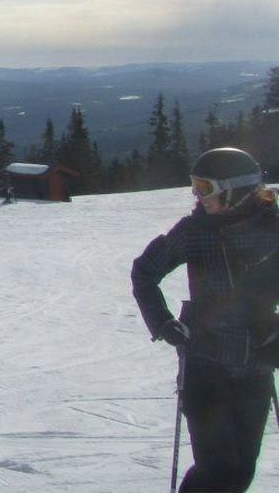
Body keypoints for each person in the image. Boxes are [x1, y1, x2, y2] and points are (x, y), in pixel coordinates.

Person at [132, 146, 279, 493]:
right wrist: (163, 322)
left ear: (236, 189)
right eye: (195, 186)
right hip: (204, 364)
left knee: (242, 469)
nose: (198, 196)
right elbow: (144, 272)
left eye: (206, 187)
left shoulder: (272, 230)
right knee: (217, 467)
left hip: (254, 366)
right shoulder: (193, 231)